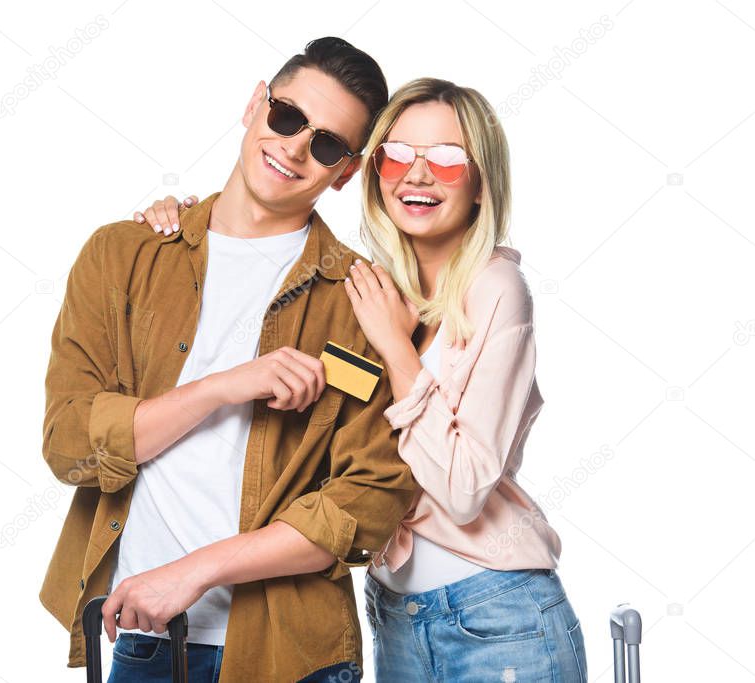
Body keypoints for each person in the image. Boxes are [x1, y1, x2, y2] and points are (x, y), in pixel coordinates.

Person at [137, 78, 588, 681]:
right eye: (398, 155)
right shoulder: (371, 287)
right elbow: (345, 411)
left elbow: (463, 488)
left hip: (496, 612)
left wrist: (397, 349)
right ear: (373, 172)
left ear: (482, 182)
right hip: (395, 612)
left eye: (448, 161)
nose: (418, 176)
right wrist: (195, 225)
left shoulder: (495, 290)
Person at [38, 37, 419, 683]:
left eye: (326, 143)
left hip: (290, 651)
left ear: (348, 170)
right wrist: (221, 387)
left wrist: (194, 569)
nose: (295, 147)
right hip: (141, 637)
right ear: (254, 105)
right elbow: (69, 443)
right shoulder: (124, 255)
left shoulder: (364, 302)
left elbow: (367, 501)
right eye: (287, 116)